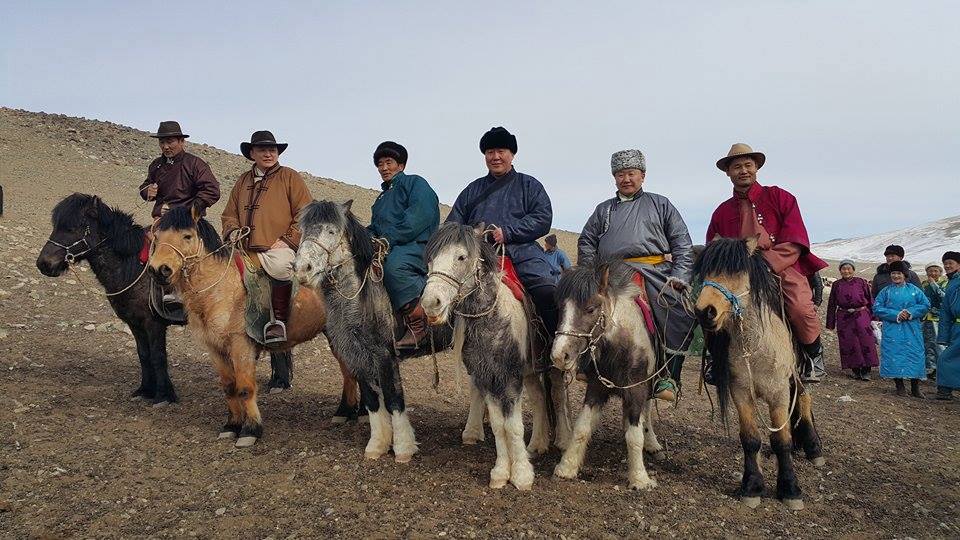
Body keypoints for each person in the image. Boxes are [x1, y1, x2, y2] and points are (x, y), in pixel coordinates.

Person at [578, 149, 696, 401]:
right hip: (611, 274)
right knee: (583, 308)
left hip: (653, 272)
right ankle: (587, 364)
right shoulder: (603, 210)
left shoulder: (660, 204)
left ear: (642, 175)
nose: (626, 179)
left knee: (678, 310)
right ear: (614, 178)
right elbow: (586, 240)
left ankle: (668, 377)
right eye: (620, 174)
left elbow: (682, 244)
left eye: (631, 173)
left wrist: (679, 276)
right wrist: (591, 272)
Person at [705, 143, 828, 382]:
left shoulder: (780, 197)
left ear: (756, 168)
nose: (743, 170)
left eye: (748, 165)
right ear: (728, 172)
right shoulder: (721, 212)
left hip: (780, 265)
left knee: (800, 307)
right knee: (710, 307)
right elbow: (714, 247)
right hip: (736, 272)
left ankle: (814, 358)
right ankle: (716, 361)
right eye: (737, 166)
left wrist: (767, 263)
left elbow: (794, 239)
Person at [447, 126, 558, 343]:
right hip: (480, 255)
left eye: (501, 151)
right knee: (446, 290)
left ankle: (553, 346)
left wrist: (508, 232)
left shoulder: (530, 185)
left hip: (523, 251)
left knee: (547, 290)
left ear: (512, 154)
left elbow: (543, 217)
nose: (495, 157)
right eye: (490, 152)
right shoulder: (472, 190)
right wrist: (470, 237)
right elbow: (453, 224)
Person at [221, 131, 312, 344]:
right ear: (252, 153)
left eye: (272, 150)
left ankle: (278, 322)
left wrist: (288, 239)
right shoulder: (243, 181)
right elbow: (229, 213)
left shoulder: (290, 176)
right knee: (223, 270)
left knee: (281, 268)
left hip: (278, 246)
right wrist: (233, 230)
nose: (269, 154)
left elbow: (306, 212)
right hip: (245, 248)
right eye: (262, 149)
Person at [367, 141, 440, 349]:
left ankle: (418, 320)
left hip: (417, 245)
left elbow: (417, 218)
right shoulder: (381, 199)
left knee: (392, 265)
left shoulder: (416, 184)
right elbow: (376, 227)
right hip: (392, 244)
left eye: (388, 162)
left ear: (401, 165)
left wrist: (387, 239)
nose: (383, 168)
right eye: (380, 164)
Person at [139, 120, 220, 219]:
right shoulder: (156, 165)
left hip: (188, 222)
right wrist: (147, 191)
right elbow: (146, 185)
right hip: (160, 220)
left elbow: (212, 190)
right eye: (162, 142)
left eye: (169, 142)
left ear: (182, 141)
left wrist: (192, 209)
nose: (165, 147)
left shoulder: (195, 164)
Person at [873, 260, 930, 398]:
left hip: (912, 328)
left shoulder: (914, 290)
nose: (896, 276)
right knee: (894, 353)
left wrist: (910, 312)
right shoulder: (885, 291)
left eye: (899, 273)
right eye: (893, 273)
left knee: (915, 353)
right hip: (893, 328)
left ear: (904, 275)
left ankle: (915, 387)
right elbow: (877, 307)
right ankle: (899, 386)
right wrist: (896, 314)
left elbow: (925, 305)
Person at [825, 260, 879, 380]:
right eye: (843, 269)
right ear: (840, 271)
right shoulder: (837, 284)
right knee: (849, 342)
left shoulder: (861, 282)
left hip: (861, 314)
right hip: (844, 316)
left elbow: (870, 299)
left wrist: (874, 317)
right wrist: (830, 323)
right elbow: (832, 303)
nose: (846, 271)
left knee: (866, 341)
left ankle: (866, 371)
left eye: (849, 268)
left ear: (853, 270)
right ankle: (855, 370)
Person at [935, 251, 960, 400]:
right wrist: (943, 336)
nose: (947, 265)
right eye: (945, 263)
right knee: (948, 357)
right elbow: (945, 311)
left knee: (946, 358)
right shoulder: (952, 282)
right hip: (956, 327)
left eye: (951, 262)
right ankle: (945, 389)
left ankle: (945, 389)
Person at [921, 263, 948, 376]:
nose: (932, 273)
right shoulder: (924, 284)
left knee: (939, 345)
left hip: (939, 317)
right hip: (926, 318)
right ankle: (930, 368)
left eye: (935, 271)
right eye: (930, 271)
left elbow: (944, 297)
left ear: (940, 272)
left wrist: (934, 285)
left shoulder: (945, 283)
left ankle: (942, 369)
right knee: (928, 344)